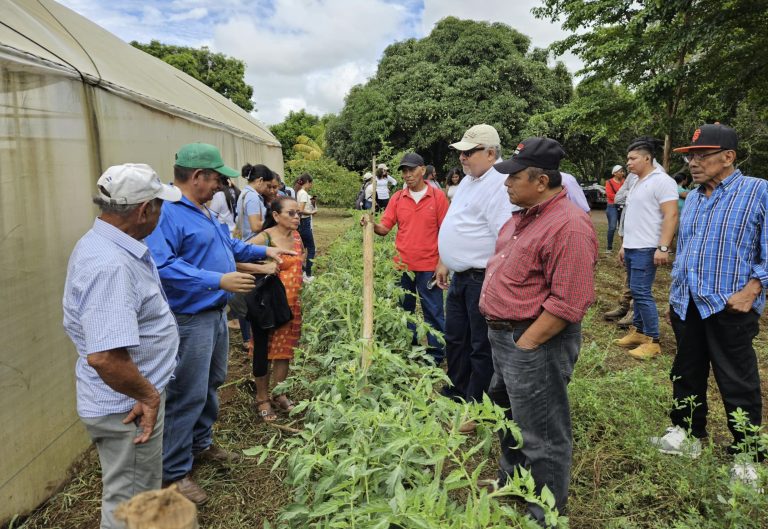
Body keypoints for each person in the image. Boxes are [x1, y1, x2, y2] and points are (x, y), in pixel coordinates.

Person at [146, 143, 292, 504]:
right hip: (189, 317)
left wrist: (264, 251)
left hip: (212, 313)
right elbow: (162, 267)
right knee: (187, 392)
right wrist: (218, 280)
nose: (221, 186)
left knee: (211, 381)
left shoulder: (203, 210)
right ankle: (175, 471)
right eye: (216, 179)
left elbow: (228, 247)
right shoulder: (169, 214)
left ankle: (201, 443)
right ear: (198, 177)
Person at [481, 137, 598, 524]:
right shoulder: (528, 216)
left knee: (543, 431)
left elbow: (569, 302)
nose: (506, 184)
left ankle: (545, 512)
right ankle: (513, 480)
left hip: (535, 340)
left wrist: (526, 344)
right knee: (510, 417)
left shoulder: (569, 226)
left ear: (542, 181)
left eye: (514, 177)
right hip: (507, 337)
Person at [63, 163, 182, 529]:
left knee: (133, 490)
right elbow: (105, 357)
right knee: (132, 501)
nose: (162, 212)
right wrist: (148, 396)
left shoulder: (107, 244)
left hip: (126, 399)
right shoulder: (111, 266)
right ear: (145, 210)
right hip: (127, 407)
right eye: (160, 205)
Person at [652, 124, 767, 485]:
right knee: (686, 372)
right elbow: (689, 249)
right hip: (688, 302)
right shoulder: (696, 197)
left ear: (728, 157)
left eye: (702, 156)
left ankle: (747, 453)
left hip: (730, 305)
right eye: (690, 156)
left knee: (738, 380)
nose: (693, 162)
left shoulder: (758, 192)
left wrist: (752, 290)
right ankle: (687, 433)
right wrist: (675, 294)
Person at [436, 124, 513, 418]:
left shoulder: (500, 184)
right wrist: (445, 260)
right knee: (456, 337)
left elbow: (504, 238)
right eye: (461, 153)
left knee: (480, 343)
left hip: (481, 278)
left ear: (491, 153)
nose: (462, 158)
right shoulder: (470, 180)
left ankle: (476, 401)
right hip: (460, 277)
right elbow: (460, 223)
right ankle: (457, 388)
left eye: (469, 152)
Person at [362, 153, 450, 364]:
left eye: (411, 170)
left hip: (429, 265)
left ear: (422, 169)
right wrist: (371, 225)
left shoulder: (437, 197)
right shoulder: (398, 198)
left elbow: (447, 232)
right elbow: (385, 228)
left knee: (433, 311)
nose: (408, 175)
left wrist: (442, 263)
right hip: (403, 266)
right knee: (405, 310)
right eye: (404, 171)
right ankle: (412, 349)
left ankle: (437, 354)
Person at [614, 137, 678, 359]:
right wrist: (625, 246)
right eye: (628, 159)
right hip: (633, 247)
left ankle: (653, 340)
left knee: (642, 292)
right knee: (635, 290)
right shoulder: (637, 181)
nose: (628, 163)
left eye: (633, 158)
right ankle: (639, 332)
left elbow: (671, 214)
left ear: (647, 158)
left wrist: (663, 247)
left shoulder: (662, 181)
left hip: (647, 247)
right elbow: (634, 217)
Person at [247, 197, 306, 421]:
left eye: (298, 213)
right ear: (275, 216)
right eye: (291, 213)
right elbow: (233, 260)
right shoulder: (265, 238)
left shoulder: (297, 237)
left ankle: (279, 393)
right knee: (263, 351)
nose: (296, 218)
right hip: (267, 305)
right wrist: (264, 267)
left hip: (290, 305)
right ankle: (262, 398)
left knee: (284, 351)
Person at [236, 164, 278, 241]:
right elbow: (256, 227)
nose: (267, 189)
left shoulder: (245, 193)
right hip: (254, 243)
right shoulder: (253, 197)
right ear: (260, 180)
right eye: (267, 185)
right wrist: (275, 219)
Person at [295, 173, 317, 281]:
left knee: (301, 249)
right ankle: (308, 274)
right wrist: (312, 212)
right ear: (307, 182)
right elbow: (301, 210)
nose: (311, 186)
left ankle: (302, 271)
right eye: (310, 183)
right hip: (304, 223)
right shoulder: (303, 193)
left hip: (301, 224)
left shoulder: (299, 192)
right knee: (311, 249)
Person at [604, 164, 625, 252]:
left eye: (623, 171)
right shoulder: (609, 182)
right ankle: (609, 247)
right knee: (612, 227)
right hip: (612, 206)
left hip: (623, 206)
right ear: (615, 173)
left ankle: (623, 247)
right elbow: (609, 195)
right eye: (620, 172)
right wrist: (622, 196)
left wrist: (621, 196)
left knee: (623, 227)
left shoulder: (625, 181)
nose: (622, 173)